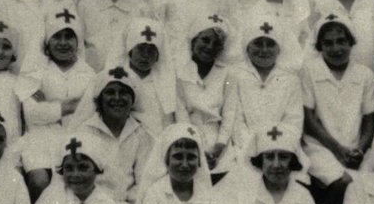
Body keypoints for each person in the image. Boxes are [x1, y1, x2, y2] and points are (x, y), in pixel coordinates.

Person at [301, 14, 374, 204]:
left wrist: (359, 149)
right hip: (320, 148)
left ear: (351, 42)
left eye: (341, 41)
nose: (336, 48)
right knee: (343, 182)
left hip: (356, 149)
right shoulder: (310, 71)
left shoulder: (364, 74)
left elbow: (369, 121)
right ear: (319, 46)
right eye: (328, 43)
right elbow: (308, 120)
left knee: (370, 184)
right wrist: (338, 150)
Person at [18, 6, 95, 201]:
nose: (62, 43)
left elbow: (90, 112)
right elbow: (31, 114)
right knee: (39, 182)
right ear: (47, 41)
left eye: (68, 37)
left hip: (74, 138)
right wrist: (69, 107)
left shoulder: (89, 75)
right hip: (39, 140)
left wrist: (49, 107)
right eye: (56, 37)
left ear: (77, 41)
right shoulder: (36, 71)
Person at [219, 13, 304, 167]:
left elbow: (294, 121)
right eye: (258, 43)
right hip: (243, 150)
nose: (264, 50)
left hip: (281, 150)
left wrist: (273, 147)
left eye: (270, 44)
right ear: (247, 45)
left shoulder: (291, 80)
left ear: (279, 48)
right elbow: (235, 120)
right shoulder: (234, 74)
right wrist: (253, 149)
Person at [68, 65, 153, 204]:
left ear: (133, 100)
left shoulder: (142, 135)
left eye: (124, 92)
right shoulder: (85, 132)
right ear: (99, 99)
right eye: (110, 92)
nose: (117, 98)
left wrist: (127, 203)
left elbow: (144, 182)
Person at [80, 18, 179, 137]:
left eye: (151, 50)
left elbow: (174, 119)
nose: (145, 56)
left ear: (158, 54)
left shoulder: (166, 82)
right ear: (130, 49)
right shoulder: (109, 78)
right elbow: (86, 115)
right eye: (141, 49)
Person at [174, 13, 238, 181]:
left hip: (219, 142)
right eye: (205, 40)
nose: (210, 46)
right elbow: (181, 114)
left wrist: (219, 146)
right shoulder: (180, 73)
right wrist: (197, 148)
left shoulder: (227, 74)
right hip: (187, 140)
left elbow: (229, 113)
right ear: (194, 40)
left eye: (216, 43)